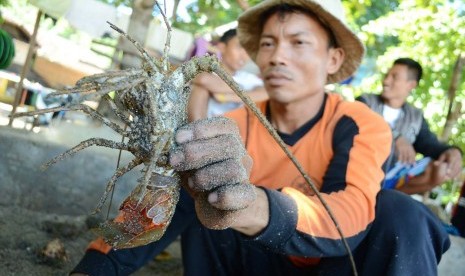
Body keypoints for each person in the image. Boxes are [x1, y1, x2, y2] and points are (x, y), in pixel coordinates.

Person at [71, 1, 450, 275]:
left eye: (298, 43)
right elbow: (161, 194)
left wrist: (253, 206)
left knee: (405, 214)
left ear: (333, 60)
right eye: (267, 43)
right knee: (199, 179)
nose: (276, 57)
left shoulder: (359, 122)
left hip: (333, 265)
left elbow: (350, 214)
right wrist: (95, 267)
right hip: (253, 262)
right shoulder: (233, 124)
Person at [357, 58, 462, 195]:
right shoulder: (365, 101)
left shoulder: (416, 117)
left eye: (394, 77)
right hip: (358, 174)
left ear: (411, 85)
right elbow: (362, 120)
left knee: (438, 169)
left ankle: (386, 199)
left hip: (392, 185)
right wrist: (395, 136)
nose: (386, 81)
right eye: (386, 75)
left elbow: (430, 145)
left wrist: (454, 151)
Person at [187, 28, 267, 121]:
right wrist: (248, 93)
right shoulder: (209, 71)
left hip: (239, 128)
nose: (244, 55)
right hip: (207, 125)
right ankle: (199, 132)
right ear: (222, 47)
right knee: (200, 88)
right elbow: (202, 79)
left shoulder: (247, 77)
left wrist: (225, 96)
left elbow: (267, 93)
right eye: (240, 47)